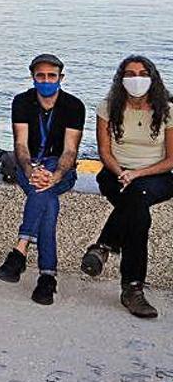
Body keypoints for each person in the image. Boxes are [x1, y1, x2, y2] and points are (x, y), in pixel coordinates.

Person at [79, 56, 173, 318]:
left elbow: (171, 160)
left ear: (153, 78)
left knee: (137, 198)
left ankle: (104, 245)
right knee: (138, 214)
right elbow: (104, 152)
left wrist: (138, 173)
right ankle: (133, 289)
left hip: (156, 175)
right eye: (130, 74)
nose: (136, 79)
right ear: (121, 79)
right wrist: (122, 173)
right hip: (114, 173)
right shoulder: (108, 107)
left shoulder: (168, 109)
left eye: (142, 73)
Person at [0, 54, 84, 305]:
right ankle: (47, 277)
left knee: (44, 191)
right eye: (41, 76)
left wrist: (54, 176)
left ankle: (20, 249)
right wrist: (31, 170)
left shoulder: (74, 106)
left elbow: (70, 151)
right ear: (33, 77)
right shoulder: (22, 102)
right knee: (47, 201)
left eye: (51, 76)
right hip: (29, 167)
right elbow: (21, 145)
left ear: (61, 78)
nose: (46, 81)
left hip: (61, 170)